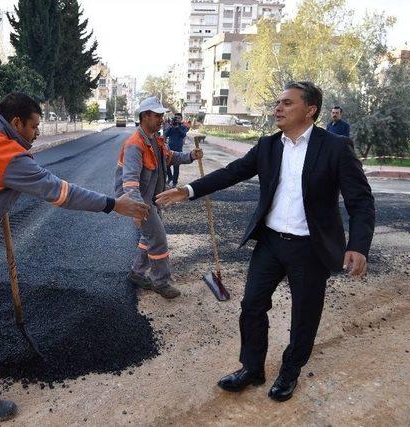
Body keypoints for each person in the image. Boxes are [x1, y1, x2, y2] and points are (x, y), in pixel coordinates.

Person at [0, 92, 149, 422]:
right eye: (34, 125)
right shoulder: (9, 157)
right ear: (16, 123)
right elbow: (61, 193)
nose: (38, 132)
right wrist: (114, 204)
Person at [156, 81, 375, 401]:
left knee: (305, 315)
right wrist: (188, 191)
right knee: (252, 306)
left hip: (310, 248)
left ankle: (290, 371)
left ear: (310, 110)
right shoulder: (269, 146)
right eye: (278, 103)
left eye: (287, 103)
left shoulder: (335, 148)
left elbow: (361, 201)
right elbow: (230, 173)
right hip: (271, 242)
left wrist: (358, 245)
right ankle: (252, 368)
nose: (278, 108)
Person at [116, 96, 202, 299]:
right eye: (157, 115)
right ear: (144, 116)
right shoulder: (134, 145)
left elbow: (171, 157)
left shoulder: (156, 139)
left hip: (152, 197)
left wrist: (190, 156)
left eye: (162, 115)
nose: (162, 119)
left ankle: (137, 273)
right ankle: (160, 282)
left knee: (150, 237)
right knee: (159, 240)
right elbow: (129, 183)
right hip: (139, 200)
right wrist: (137, 209)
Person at [164, 113, 190, 187]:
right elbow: (166, 134)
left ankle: (175, 182)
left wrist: (178, 127)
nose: (177, 119)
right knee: (167, 165)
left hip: (178, 149)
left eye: (178, 118)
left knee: (176, 167)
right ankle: (170, 178)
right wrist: (172, 126)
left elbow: (183, 135)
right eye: (175, 118)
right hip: (170, 149)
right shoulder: (171, 126)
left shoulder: (183, 127)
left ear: (181, 119)